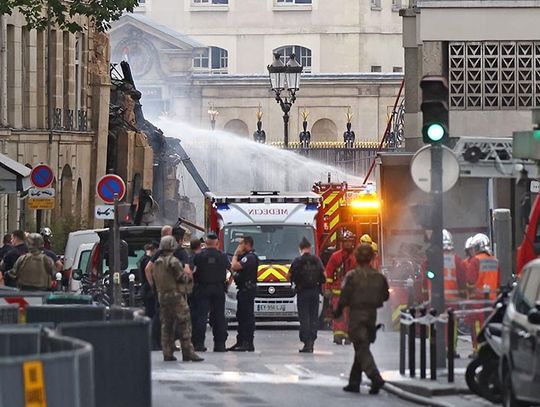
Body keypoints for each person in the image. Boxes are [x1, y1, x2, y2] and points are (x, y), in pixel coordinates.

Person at [334, 243, 388, 395]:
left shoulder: (351, 276)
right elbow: (385, 296)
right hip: (372, 315)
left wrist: (337, 312)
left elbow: (343, 297)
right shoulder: (379, 277)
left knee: (361, 348)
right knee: (362, 346)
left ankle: (375, 377)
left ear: (357, 258)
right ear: (371, 257)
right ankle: (354, 382)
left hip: (357, 315)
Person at [151, 235, 203, 362]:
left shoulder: (157, 262)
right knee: (184, 322)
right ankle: (188, 352)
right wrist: (190, 276)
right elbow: (181, 277)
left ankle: (167, 352)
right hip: (175, 295)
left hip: (162, 296)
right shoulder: (173, 261)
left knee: (166, 324)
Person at [191, 233, 229, 352]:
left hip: (202, 288)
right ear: (217, 243)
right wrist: (227, 284)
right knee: (219, 317)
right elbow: (231, 270)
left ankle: (199, 344)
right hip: (218, 288)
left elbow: (191, 271)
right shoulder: (222, 256)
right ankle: (220, 344)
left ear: (206, 243)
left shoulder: (199, 256)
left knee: (201, 317)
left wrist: (192, 285)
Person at [289, 237, 326, 353]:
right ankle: (311, 342)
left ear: (300, 248)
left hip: (302, 292)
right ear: (310, 248)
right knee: (313, 317)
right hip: (315, 292)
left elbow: (288, 275)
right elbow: (324, 275)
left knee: (304, 318)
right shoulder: (317, 260)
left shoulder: (297, 261)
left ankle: (306, 342)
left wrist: (295, 282)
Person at [324, 230, 357, 344]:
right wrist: (327, 288)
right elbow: (328, 273)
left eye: (350, 241)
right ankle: (338, 335)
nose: (348, 244)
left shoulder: (357, 257)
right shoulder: (336, 256)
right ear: (342, 242)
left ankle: (349, 336)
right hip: (338, 292)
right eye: (346, 241)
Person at [229, 236, 259, 352]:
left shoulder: (250, 257)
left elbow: (235, 266)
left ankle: (247, 342)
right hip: (243, 290)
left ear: (247, 244)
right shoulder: (246, 257)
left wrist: (236, 254)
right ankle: (240, 341)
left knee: (247, 317)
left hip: (247, 290)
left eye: (241, 244)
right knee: (241, 316)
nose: (239, 246)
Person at [139, 241, 161, 349]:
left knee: (150, 314)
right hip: (149, 291)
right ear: (154, 250)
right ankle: (153, 342)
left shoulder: (142, 259)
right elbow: (148, 271)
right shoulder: (147, 261)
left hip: (146, 290)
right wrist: (153, 286)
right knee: (153, 315)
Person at [467, 233, 500, 300]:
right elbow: (498, 283)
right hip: (493, 300)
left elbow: (470, 281)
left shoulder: (475, 260)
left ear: (477, 247)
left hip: (478, 300)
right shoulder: (495, 261)